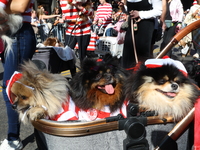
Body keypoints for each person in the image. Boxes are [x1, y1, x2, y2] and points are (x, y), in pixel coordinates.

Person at [0, 0, 36, 149]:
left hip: (18, 33)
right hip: (11, 33)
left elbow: (21, 6)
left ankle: (13, 138)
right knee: (11, 87)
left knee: (11, 88)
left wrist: (4, 8)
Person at [121, 0, 162, 70]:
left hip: (146, 25)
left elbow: (159, 11)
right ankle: (128, 74)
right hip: (132, 26)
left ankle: (142, 74)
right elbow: (129, 10)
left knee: (142, 52)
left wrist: (140, 14)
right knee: (128, 52)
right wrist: (123, 8)